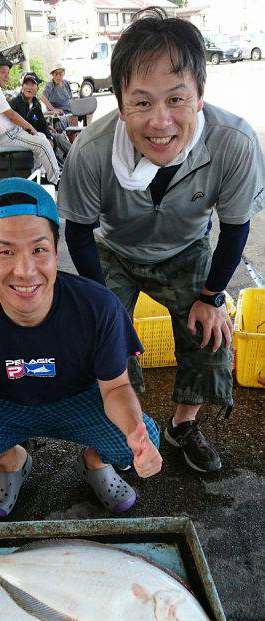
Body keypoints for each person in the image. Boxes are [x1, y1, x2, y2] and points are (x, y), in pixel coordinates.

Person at [59, 8, 265, 474]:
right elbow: (78, 231)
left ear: (199, 96)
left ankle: (182, 425)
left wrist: (212, 297)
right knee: (103, 339)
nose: (160, 122)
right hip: (114, 251)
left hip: (186, 249)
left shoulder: (233, 142)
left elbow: (235, 228)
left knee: (211, 337)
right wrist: (102, 305)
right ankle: (121, 431)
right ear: (121, 100)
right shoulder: (91, 150)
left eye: (176, 99)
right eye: (142, 102)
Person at [0, 179, 162, 517]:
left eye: (38, 249)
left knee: (142, 435)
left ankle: (94, 461)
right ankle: (12, 460)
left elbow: (117, 387)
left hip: (79, 400)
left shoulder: (98, 306)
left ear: (55, 249)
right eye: (5, 251)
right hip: (2, 405)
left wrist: (136, 434)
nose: (25, 270)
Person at [0, 55, 60, 185]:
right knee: (42, 144)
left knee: (42, 137)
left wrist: (43, 133)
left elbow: (40, 122)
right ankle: (56, 180)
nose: (6, 76)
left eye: (7, 73)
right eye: (3, 72)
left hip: (11, 133)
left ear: (37, 88)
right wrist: (30, 127)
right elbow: (11, 115)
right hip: (8, 136)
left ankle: (37, 177)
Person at [10, 73, 71, 163]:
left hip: (36, 134)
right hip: (23, 137)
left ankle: (75, 157)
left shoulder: (36, 104)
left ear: (37, 88)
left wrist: (49, 137)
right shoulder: (15, 102)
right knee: (49, 140)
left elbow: (42, 123)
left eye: (32, 85)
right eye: (26, 84)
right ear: (22, 86)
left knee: (58, 137)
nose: (29, 88)